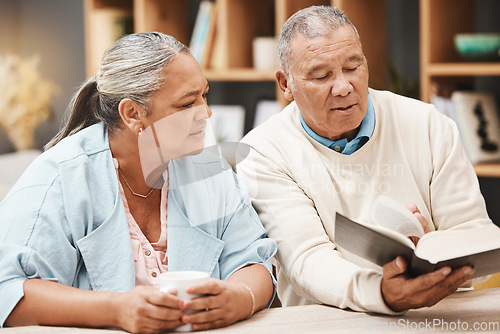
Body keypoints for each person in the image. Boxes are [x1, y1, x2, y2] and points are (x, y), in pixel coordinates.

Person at [0, 32, 277, 332]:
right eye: (186, 104)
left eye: (204, 95)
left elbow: (254, 260)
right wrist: (115, 311)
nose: (206, 113)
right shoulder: (60, 177)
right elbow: (9, 291)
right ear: (133, 114)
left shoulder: (211, 172)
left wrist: (239, 297)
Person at [237, 5, 494, 314]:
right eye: (321, 75)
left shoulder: (427, 124)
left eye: (353, 67)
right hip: (329, 324)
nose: (344, 87)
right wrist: (381, 292)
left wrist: (433, 256)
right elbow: (307, 261)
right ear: (286, 84)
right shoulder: (264, 151)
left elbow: (476, 236)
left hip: (438, 316)